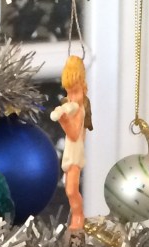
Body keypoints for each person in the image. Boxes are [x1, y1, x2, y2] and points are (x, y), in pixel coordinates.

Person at [50, 55, 90, 231]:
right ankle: (76, 215)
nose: (71, 98)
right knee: (69, 189)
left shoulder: (80, 111)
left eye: (75, 92)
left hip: (75, 154)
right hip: (69, 153)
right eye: (68, 93)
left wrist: (64, 120)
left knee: (72, 190)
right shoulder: (73, 109)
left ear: (84, 89)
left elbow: (73, 134)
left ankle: (78, 216)